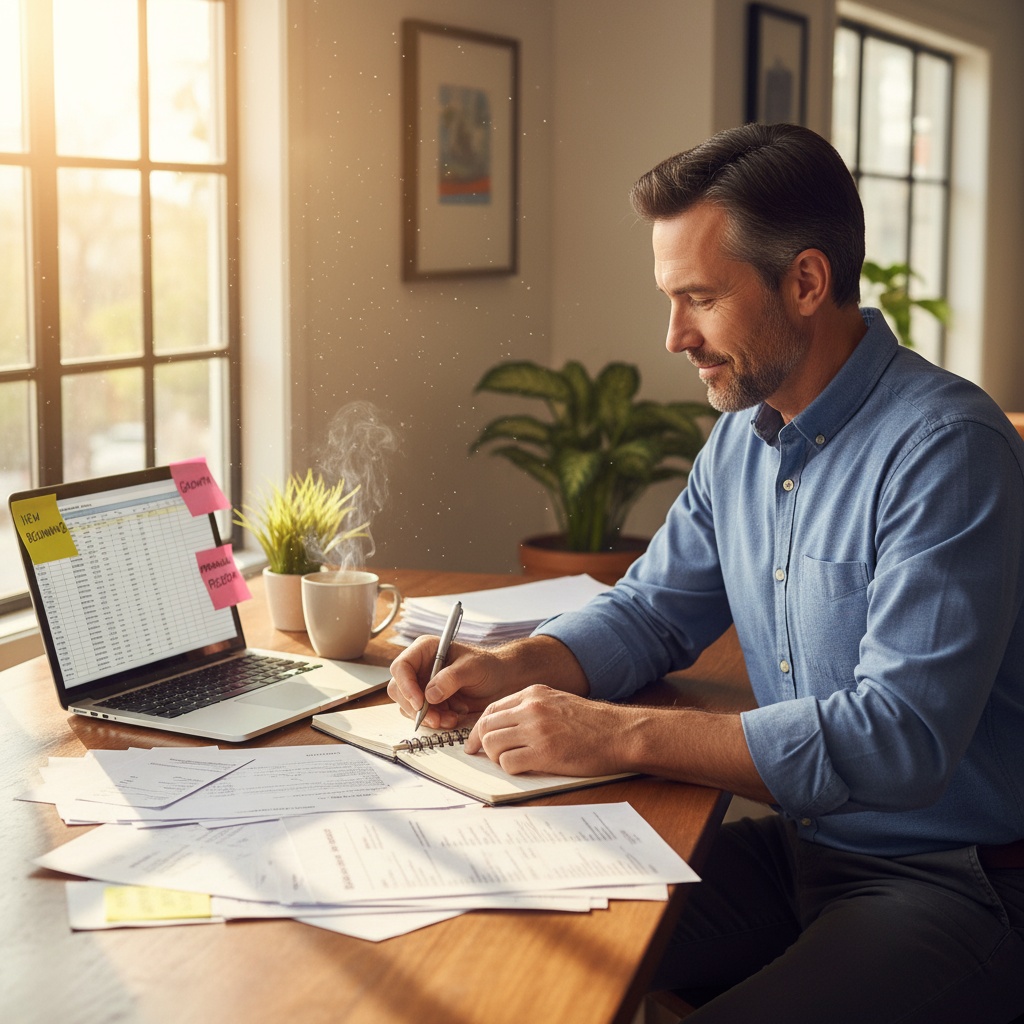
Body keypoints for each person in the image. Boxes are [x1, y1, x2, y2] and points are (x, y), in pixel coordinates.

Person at [388, 123, 1024, 1023]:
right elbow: (652, 612)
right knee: (502, 939)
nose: (674, 335)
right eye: (669, 298)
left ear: (806, 282)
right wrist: (515, 664)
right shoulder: (742, 437)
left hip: (956, 883)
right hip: (804, 852)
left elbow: (898, 740)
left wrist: (618, 735)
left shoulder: (946, 451)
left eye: (700, 299)